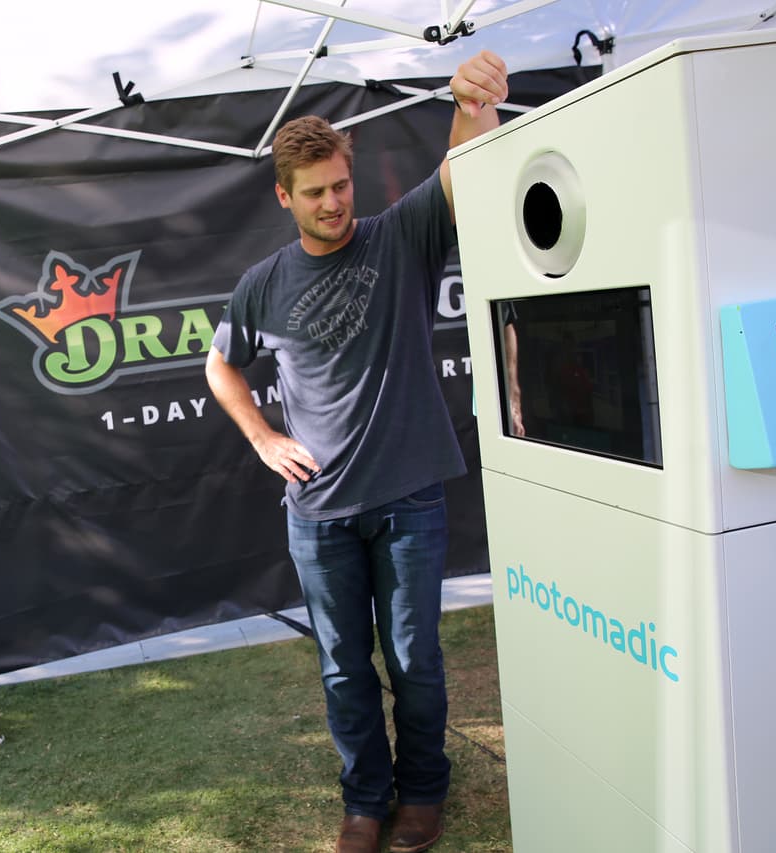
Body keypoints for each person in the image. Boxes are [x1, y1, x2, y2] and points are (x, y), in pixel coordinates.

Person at [204, 51, 508, 853]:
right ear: (285, 196)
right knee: (343, 670)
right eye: (315, 192)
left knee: (415, 663)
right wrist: (265, 437)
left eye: (341, 184)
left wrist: (474, 100)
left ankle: (424, 795)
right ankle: (365, 803)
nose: (334, 202)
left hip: (409, 499)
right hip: (318, 513)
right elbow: (218, 363)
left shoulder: (400, 237)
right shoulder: (262, 284)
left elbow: (462, 166)